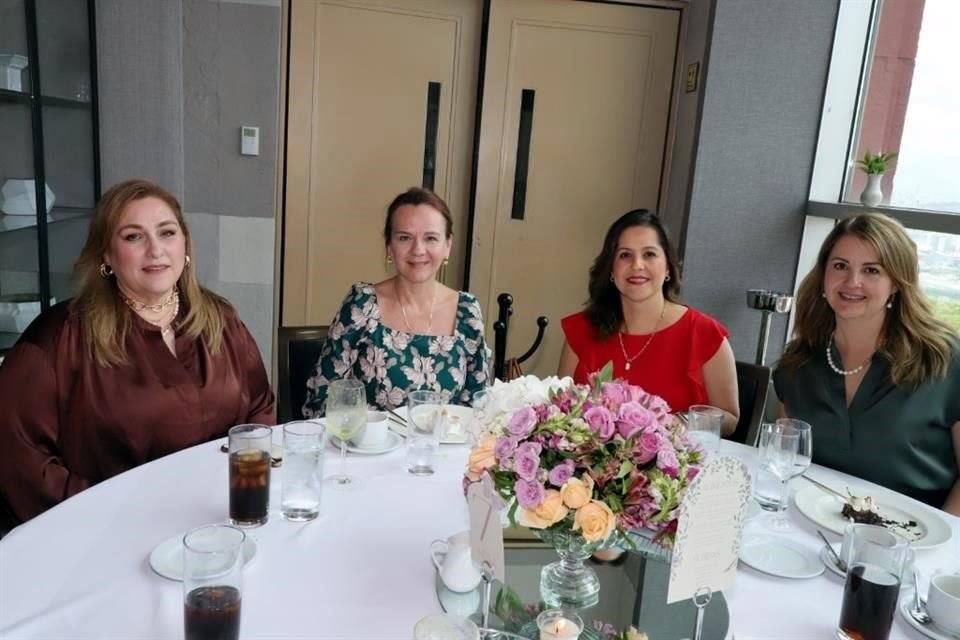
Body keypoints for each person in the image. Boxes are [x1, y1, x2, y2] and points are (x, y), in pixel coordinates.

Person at [0, 179, 275, 527]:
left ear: (185, 245)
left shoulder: (219, 318)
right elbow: (19, 460)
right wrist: (110, 513)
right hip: (108, 533)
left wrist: (243, 482)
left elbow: (260, 408)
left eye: (167, 233)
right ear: (106, 255)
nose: (156, 250)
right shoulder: (58, 337)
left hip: (219, 518)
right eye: (133, 236)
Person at [774, 213, 959, 514]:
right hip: (813, 529)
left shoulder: (944, 359)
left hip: (914, 542)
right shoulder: (798, 363)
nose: (852, 282)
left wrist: (944, 549)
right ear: (823, 275)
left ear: (897, 283)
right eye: (840, 266)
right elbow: (784, 462)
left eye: (872, 270)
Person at [303, 187, 489, 414]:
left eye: (431, 238)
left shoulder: (467, 312)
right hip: (367, 448)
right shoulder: (362, 304)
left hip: (443, 448)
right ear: (389, 246)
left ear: (447, 246)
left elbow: (479, 406)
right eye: (404, 238)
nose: (418, 250)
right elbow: (322, 397)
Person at [558, 209, 739, 434]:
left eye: (649, 254)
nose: (637, 265)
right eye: (625, 255)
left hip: (676, 463)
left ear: (668, 268)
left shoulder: (704, 333)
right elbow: (561, 412)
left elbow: (730, 418)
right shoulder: (581, 330)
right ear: (611, 269)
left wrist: (680, 423)